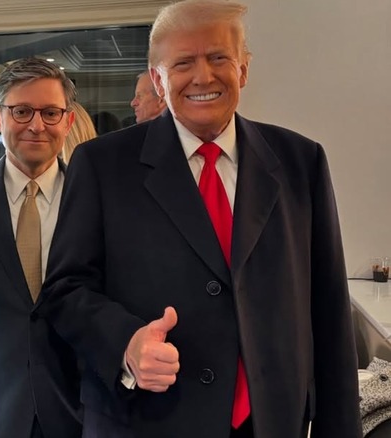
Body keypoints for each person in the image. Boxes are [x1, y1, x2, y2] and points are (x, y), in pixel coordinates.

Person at [39, 1, 361, 438]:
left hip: (272, 421)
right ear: (158, 78)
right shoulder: (102, 165)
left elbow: (329, 312)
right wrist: (126, 342)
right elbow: (63, 290)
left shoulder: (301, 161)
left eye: (218, 58)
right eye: (183, 62)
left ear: (243, 69)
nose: (203, 76)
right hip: (146, 421)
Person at [0, 57, 81, 438]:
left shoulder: (94, 196)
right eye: (22, 111)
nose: (36, 125)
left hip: (79, 399)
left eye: (50, 112)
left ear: (69, 121)